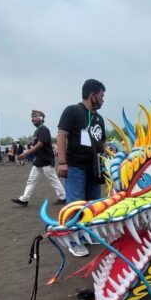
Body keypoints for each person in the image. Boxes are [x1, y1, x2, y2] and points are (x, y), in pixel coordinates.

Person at [57, 79, 108, 257]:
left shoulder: (99, 118)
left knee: (93, 203)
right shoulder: (72, 111)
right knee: (75, 204)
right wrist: (62, 162)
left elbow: (103, 142)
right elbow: (62, 136)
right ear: (92, 95)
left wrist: (108, 159)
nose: (103, 100)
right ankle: (73, 240)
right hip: (76, 166)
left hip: (94, 168)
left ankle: (87, 235)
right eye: (101, 96)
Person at [12, 110, 66, 206]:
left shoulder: (43, 129)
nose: (33, 118)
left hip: (46, 159)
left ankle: (63, 197)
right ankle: (24, 199)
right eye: (32, 117)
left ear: (42, 118)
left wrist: (25, 154)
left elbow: (40, 144)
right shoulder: (37, 131)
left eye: (36, 116)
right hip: (39, 160)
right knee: (31, 180)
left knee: (53, 179)